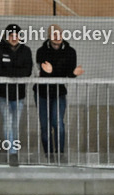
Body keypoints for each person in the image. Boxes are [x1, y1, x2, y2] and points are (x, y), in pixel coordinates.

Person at [35, 24, 83, 159]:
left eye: (59, 34)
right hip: (42, 93)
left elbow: (68, 74)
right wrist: (50, 73)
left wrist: (73, 74)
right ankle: (49, 155)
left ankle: (60, 153)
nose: (57, 37)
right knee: (45, 126)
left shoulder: (70, 52)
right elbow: (41, 74)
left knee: (58, 123)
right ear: (49, 36)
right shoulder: (41, 51)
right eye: (54, 34)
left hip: (59, 92)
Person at [0, 24, 32, 165]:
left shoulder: (26, 51)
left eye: (16, 35)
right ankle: (12, 153)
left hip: (19, 95)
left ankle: (12, 148)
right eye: (11, 35)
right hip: (2, 95)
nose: (14, 38)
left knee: (15, 125)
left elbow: (27, 71)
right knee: (7, 122)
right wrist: (16, 72)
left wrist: (10, 71)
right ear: (6, 36)